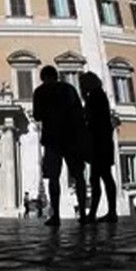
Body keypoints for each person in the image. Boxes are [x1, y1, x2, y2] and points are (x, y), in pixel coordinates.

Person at [33, 65, 88, 227]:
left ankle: (56, 215)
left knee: (53, 178)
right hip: (71, 137)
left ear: (43, 77)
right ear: (56, 76)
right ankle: (83, 213)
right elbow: (79, 112)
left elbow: (37, 115)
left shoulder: (40, 91)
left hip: (52, 139)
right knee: (78, 176)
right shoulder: (69, 89)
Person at [80, 72, 118, 223]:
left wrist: (84, 98)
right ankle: (106, 212)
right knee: (103, 177)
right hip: (103, 142)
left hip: (98, 143)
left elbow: (88, 116)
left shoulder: (95, 97)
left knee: (99, 178)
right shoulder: (99, 95)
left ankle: (98, 213)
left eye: (82, 83)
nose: (81, 86)